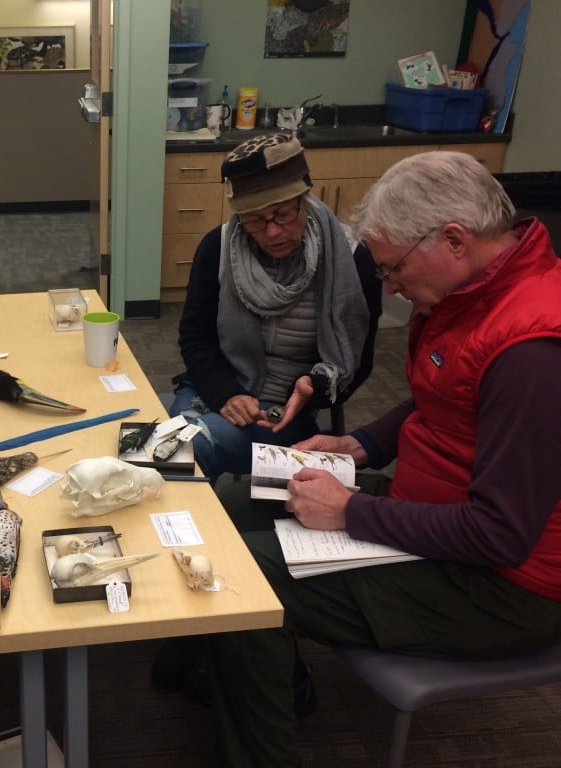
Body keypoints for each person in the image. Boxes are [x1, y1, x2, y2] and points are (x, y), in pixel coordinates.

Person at [202, 150, 561, 767]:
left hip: (503, 589)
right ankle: (257, 674)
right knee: (228, 501)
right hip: (430, 518)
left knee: (245, 580)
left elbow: (499, 535)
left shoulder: (532, 352)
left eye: (393, 268)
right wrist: (360, 445)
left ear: (452, 239)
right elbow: (439, 401)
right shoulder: (473, 294)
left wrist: (350, 511)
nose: (388, 286)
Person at [169, 133, 382, 481]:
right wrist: (226, 393)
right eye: (254, 220)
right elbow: (196, 337)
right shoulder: (218, 248)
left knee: (187, 447)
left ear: (305, 197)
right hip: (215, 387)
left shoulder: (352, 259)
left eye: (283, 214)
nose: (271, 232)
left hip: (287, 407)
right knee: (172, 446)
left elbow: (357, 362)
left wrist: (310, 391)